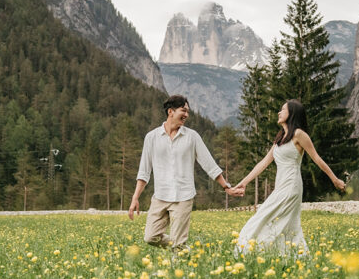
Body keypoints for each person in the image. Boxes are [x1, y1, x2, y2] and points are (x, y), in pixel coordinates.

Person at [128, 94, 244, 250]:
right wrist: (135, 197)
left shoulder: (192, 137)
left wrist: (226, 187)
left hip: (183, 196)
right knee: (150, 237)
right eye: (183, 110)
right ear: (171, 112)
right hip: (160, 196)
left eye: (188, 111)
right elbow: (144, 171)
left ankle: (179, 255)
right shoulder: (152, 137)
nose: (187, 115)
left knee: (177, 244)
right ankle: (184, 249)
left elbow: (209, 164)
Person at [233, 99, 346, 256]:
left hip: (291, 185)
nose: (279, 112)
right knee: (282, 223)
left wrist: (335, 179)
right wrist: (243, 183)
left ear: (292, 113)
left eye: (283, 110)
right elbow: (263, 163)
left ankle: (252, 251)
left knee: (266, 216)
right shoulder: (281, 137)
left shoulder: (299, 135)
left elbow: (317, 159)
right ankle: (290, 255)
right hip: (281, 185)